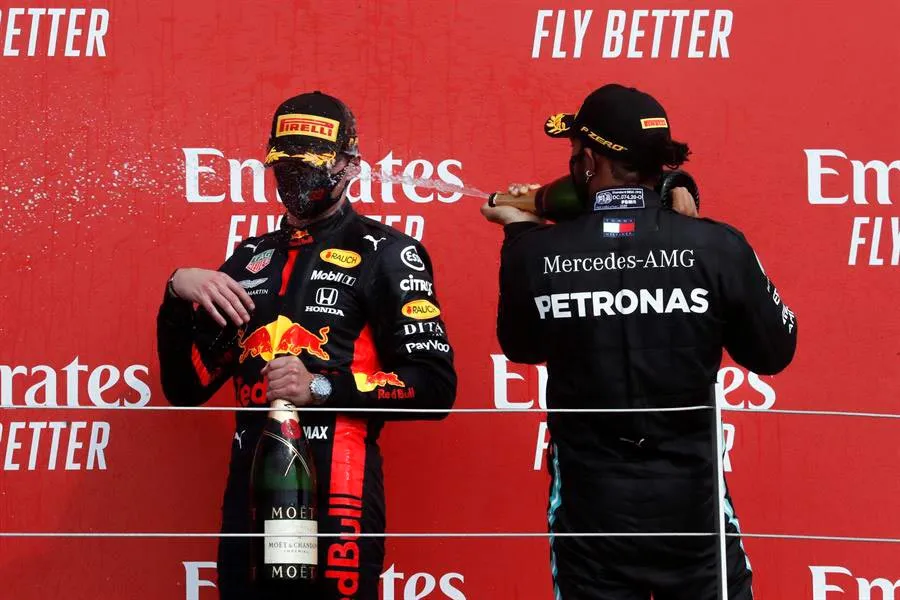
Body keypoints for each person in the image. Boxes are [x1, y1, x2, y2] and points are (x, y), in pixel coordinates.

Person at [481, 84, 797, 600]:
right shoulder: (716, 244)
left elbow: (521, 346)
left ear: (586, 161)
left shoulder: (536, 253)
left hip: (590, 510)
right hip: (692, 508)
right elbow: (775, 350)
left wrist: (520, 232)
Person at [156, 91, 457, 600]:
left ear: (349, 164)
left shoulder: (386, 253)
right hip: (250, 490)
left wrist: (319, 385)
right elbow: (187, 386)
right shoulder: (249, 258)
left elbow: (434, 388)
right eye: (286, 162)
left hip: (340, 488)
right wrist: (174, 296)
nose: (298, 176)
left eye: (314, 163)